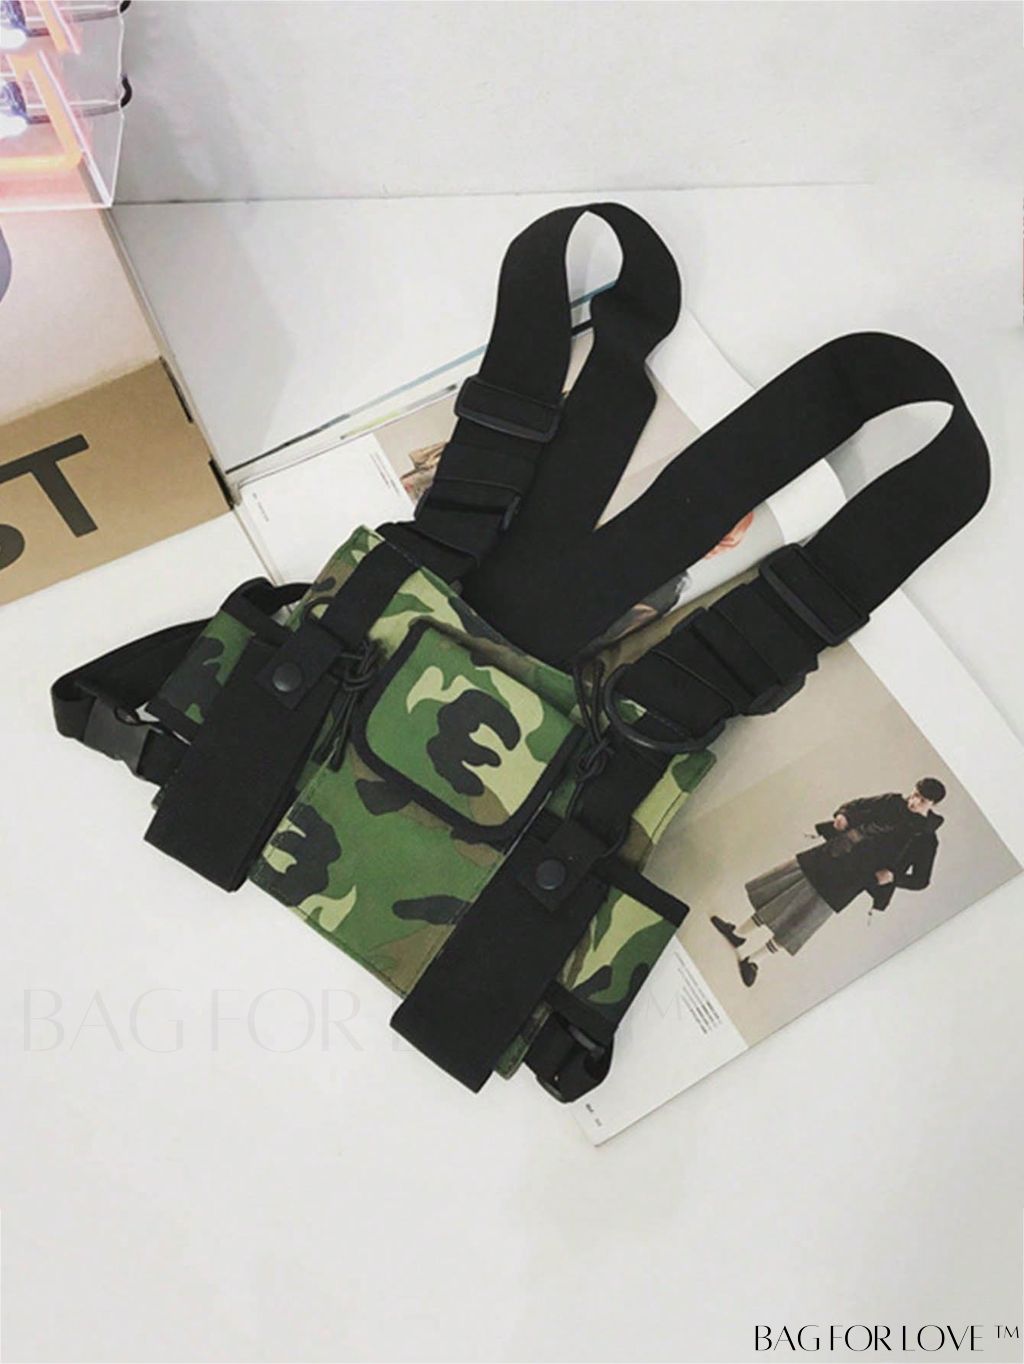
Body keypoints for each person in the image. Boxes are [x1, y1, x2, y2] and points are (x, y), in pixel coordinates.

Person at [711, 777, 947, 988]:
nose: (914, 801)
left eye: (922, 800)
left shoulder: (926, 839)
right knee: (784, 894)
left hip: (853, 879)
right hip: (832, 854)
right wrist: (843, 815)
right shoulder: (892, 801)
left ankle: (754, 961)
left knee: (804, 919)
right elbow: (856, 805)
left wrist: (893, 877)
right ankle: (737, 933)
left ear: (933, 805)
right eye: (915, 794)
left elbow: (921, 880)